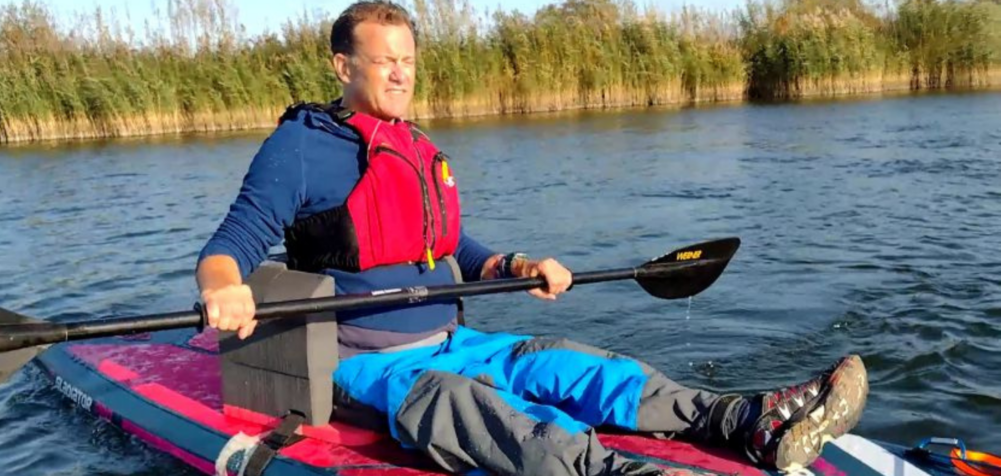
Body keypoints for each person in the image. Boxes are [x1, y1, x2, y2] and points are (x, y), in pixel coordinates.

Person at [195, 2, 869, 475]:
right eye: (384, 61)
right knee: (473, 409)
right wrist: (225, 289)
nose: (402, 74)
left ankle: (745, 420)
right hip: (363, 364)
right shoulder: (302, 147)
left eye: (409, 60)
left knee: (573, 364)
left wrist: (507, 262)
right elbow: (230, 243)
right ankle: (613, 473)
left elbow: (447, 245)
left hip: (456, 341)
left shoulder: (414, 144)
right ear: (343, 66)